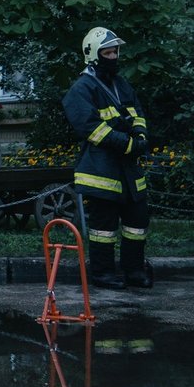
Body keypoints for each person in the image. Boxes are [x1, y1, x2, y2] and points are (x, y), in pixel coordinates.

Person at [63, 27, 152, 290]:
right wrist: (126, 143)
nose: (113, 57)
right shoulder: (82, 88)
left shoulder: (121, 84)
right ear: (93, 54)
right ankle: (102, 274)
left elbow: (138, 114)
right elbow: (90, 128)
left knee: (137, 222)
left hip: (129, 170)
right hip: (100, 170)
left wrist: (140, 136)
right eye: (108, 53)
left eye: (115, 52)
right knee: (104, 228)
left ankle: (134, 270)